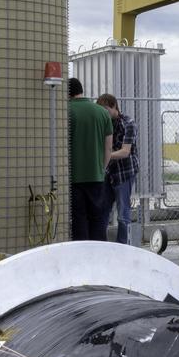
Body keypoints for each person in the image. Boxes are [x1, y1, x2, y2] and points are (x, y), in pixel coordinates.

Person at [67, 78, 113, 241]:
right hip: (97, 176)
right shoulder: (101, 112)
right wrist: (101, 169)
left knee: (79, 219)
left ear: (67, 93)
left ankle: (81, 257)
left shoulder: (66, 111)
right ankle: (99, 255)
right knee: (98, 218)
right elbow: (108, 147)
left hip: (73, 177)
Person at [96, 93, 138, 244]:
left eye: (106, 110)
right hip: (108, 173)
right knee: (103, 210)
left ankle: (122, 246)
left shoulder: (129, 123)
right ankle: (101, 244)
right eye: (101, 110)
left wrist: (104, 157)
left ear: (115, 107)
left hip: (124, 173)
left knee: (123, 214)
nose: (104, 114)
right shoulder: (103, 123)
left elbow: (125, 152)